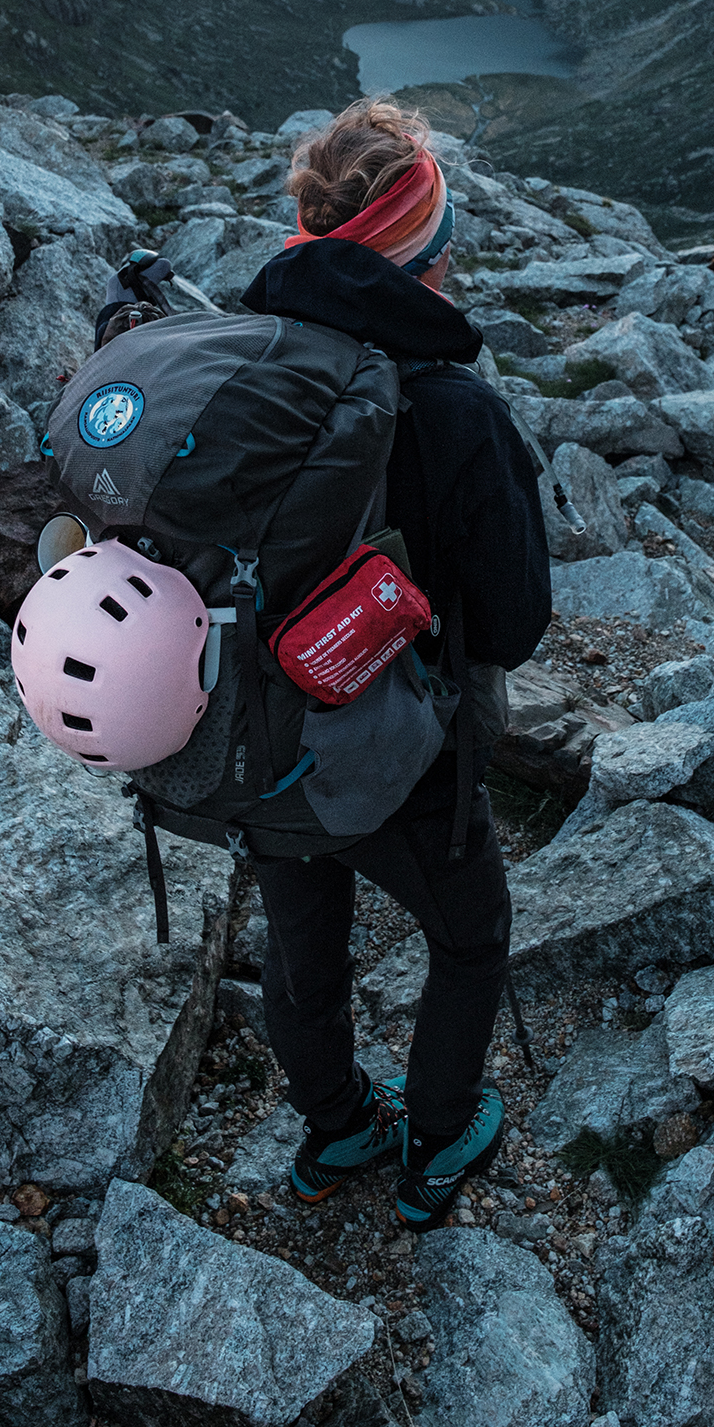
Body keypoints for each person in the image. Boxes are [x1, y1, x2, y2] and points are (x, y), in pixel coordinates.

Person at [238, 98, 551, 1230]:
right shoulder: (454, 406)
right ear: (423, 253)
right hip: (396, 737)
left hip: (255, 726)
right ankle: (438, 1135)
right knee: (469, 934)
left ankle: (335, 1126)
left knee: (300, 935)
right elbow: (513, 625)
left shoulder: (252, 358)